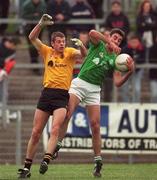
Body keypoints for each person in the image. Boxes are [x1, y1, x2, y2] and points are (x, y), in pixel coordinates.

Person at [52, 28, 135, 177]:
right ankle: (57, 145)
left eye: (119, 40)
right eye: (114, 37)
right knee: (67, 114)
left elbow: (117, 82)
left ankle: (98, 162)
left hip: (94, 89)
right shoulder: (99, 44)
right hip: (80, 83)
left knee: (96, 126)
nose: (116, 41)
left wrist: (129, 72)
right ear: (109, 36)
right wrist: (108, 40)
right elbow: (91, 33)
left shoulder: (116, 56)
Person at [17, 14, 84, 179]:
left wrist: (82, 46)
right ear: (53, 44)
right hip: (46, 94)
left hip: (62, 96)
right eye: (59, 42)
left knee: (55, 129)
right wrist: (40, 24)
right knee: (35, 132)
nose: (62, 44)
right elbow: (32, 37)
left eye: (63, 41)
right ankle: (26, 168)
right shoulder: (47, 51)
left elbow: (84, 55)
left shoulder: (69, 52)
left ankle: (46, 159)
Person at [21, 0, 46, 72]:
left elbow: (44, 15)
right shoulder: (26, 4)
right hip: (29, 27)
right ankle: (34, 62)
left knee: (37, 44)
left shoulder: (43, 4)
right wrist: (34, 15)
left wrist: (35, 16)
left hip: (38, 27)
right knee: (31, 45)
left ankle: (35, 61)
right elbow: (23, 15)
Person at [120, 32, 145, 102]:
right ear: (129, 42)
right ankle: (126, 104)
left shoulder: (142, 48)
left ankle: (136, 104)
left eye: (135, 42)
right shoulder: (125, 49)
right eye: (132, 42)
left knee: (137, 88)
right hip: (126, 71)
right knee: (125, 88)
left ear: (139, 42)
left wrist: (135, 64)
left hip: (138, 71)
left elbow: (144, 60)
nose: (134, 44)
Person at [0, 37, 19, 101]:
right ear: (12, 44)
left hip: (3, 72)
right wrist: (4, 61)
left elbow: (11, 62)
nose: (14, 48)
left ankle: (3, 105)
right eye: (14, 46)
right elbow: (5, 61)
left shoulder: (12, 52)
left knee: (3, 89)